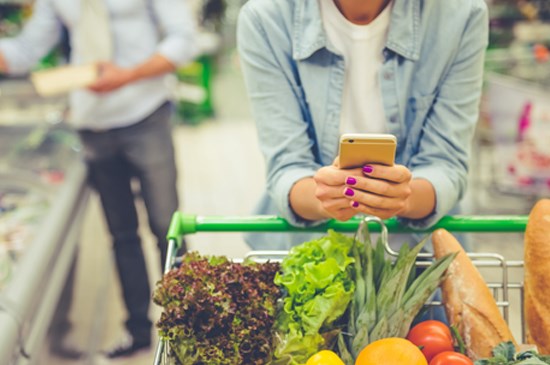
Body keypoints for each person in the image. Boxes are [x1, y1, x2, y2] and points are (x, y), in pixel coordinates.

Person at [0, 0, 197, 358]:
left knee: (167, 228)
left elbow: (184, 40)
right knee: (121, 234)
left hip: (146, 113)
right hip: (92, 125)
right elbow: (28, 48)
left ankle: (189, 331)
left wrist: (127, 75)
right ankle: (137, 332)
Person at [237, 0, 489, 250]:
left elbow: (446, 164)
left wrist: (404, 197)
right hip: (309, 256)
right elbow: (287, 166)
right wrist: (324, 196)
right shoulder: (266, 18)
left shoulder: (461, 15)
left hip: (420, 261)